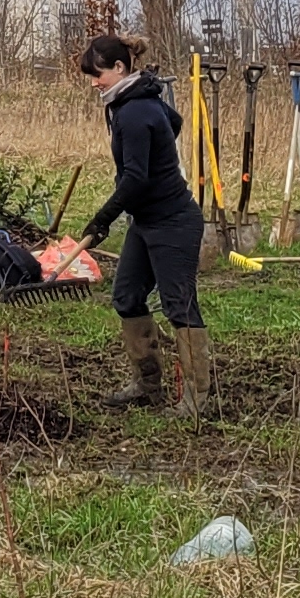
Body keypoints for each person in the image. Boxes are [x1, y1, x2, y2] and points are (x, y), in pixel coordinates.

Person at [75, 33, 206, 415]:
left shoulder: (134, 112)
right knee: (128, 296)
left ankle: (196, 400)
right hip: (146, 220)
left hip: (174, 221)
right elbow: (174, 121)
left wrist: (101, 221)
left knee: (178, 305)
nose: (94, 82)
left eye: (97, 74)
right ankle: (147, 386)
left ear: (120, 68)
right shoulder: (138, 101)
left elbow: (135, 179)